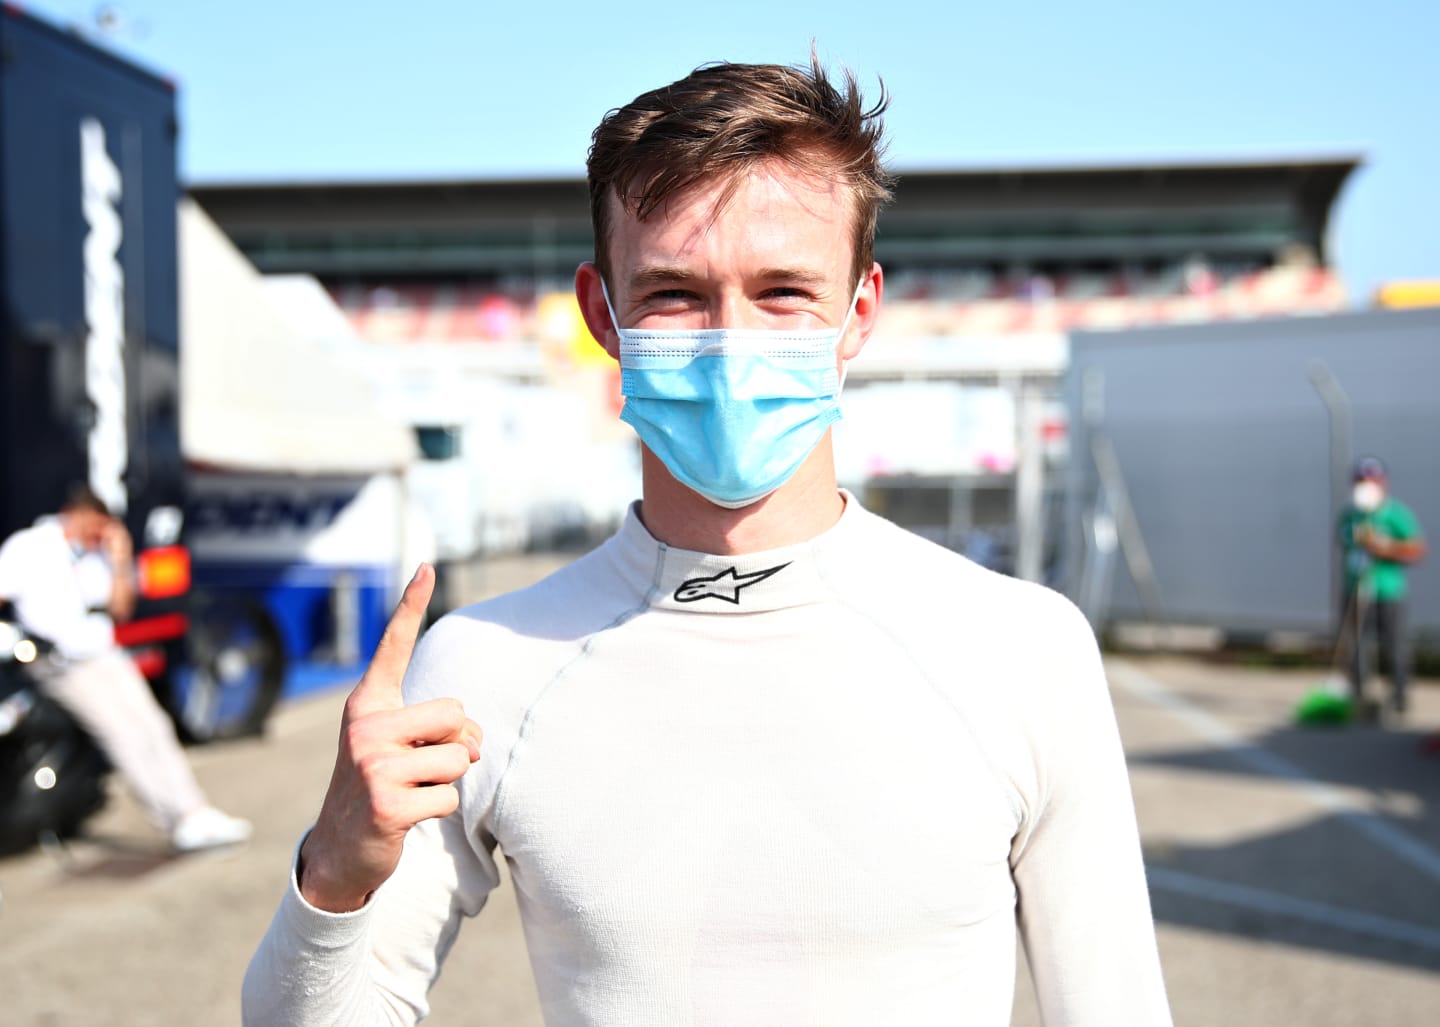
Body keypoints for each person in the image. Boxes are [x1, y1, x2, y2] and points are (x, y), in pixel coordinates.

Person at [244, 57, 1171, 1025]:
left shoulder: (1023, 649)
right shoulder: (483, 668)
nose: (732, 343)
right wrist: (334, 873)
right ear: (602, 314)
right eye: (677, 295)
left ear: (859, 311)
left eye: (781, 292)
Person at [0, 484, 252, 852]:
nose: (100, 535)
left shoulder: (98, 554)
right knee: (123, 736)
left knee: (153, 726)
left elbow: (120, 609)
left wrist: (120, 560)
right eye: (97, 527)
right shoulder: (30, 547)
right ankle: (176, 819)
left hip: (103, 654)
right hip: (59, 665)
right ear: (78, 514)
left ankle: (196, 811)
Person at [1337, 456, 1427, 719]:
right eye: (1361, 480)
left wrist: (1385, 547)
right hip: (1356, 588)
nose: (1366, 485)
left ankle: (1399, 695)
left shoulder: (1396, 514)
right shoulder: (1349, 515)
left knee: (1395, 644)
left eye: (1372, 480)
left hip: (1388, 590)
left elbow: (1416, 549)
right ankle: (1361, 694)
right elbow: (1344, 543)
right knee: (1356, 644)